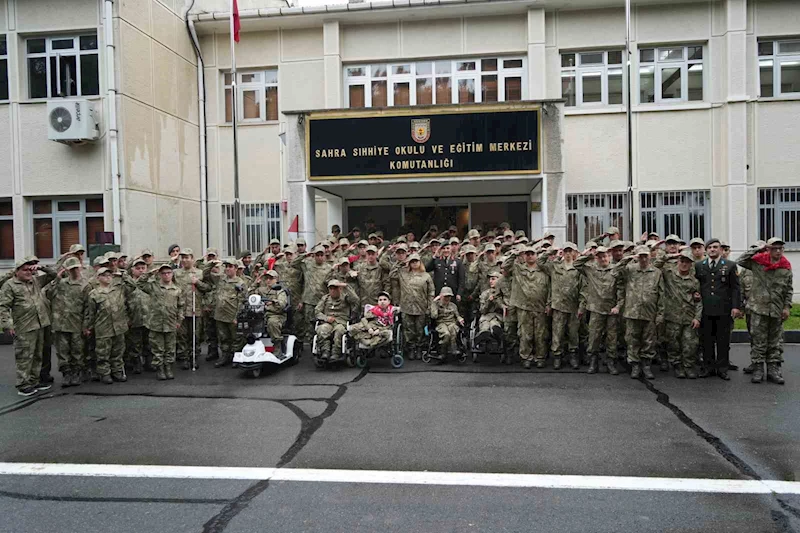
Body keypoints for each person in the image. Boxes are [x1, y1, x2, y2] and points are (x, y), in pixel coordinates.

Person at [736, 238, 793, 384]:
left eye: (780, 248)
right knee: (758, 340)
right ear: (768, 249)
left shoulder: (785, 267)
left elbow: (788, 289)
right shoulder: (758, 263)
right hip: (758, 308)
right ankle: (758, 368)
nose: (778, 251)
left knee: (775, 342)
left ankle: (773, 370)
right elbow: (740, 260)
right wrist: (759, 248)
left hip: (776, 309)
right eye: (774, 248)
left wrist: (787, 307)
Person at [0, 259, 56, 396]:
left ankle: (34, 380)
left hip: (40, 324)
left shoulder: (35, 281)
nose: (29, 272)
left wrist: (41, 267)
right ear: (17, 271)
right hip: (24, 326)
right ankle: (23, 384)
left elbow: (53, 275)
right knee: (24, 356)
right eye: (25, 270)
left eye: (30, 270)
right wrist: (8, 324)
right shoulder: (10, 285)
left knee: (38, 355)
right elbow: (4, 307)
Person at [612, 245, 664, 380]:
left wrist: (660, 313)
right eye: (641, 256)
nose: (643, 259)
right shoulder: (630, 269)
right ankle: (635, 365)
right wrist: (627, 259)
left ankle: (646, 365)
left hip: (649, 312)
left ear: (650, 256)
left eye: (645, 255)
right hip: (632, 312)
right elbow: (614, 272)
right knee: (632, 340)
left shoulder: (656, 272)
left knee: (649, 341)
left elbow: (661, 294)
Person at [695, 238, 740, 380]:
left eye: (715, 247)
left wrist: (735, 306)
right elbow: (696, 285)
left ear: (720, 250)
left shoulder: (730, 265)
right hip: (706, 309)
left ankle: (722, 368)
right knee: (706, 340)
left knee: (723, 341)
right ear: (706, 250)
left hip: (723, 309)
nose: (712, 250)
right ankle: (708, 367)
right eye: (710, 247)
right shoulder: (699, 265)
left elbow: (735, 288)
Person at [502, 245, 549, 369]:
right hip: (524, 307)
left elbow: (550, 288)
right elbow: (505, 266)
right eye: (527, 254)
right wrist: (514, 253)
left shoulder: (543, 269)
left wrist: (549, 304)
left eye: (532, 254)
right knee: (525, 334)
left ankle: (540, 357)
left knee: (540, 335)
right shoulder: (518, 268)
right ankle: (526, 357)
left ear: (536, 255)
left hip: (540, 306)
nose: (529, 256)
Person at [575, 246, 619, 375]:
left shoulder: (615, 269)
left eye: (604, 256)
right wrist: (589, 255)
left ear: (609, 256)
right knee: (594, 337)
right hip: (595, 309)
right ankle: (593, 362)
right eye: (600, 257)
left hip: (611, 310)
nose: (603, 259)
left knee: (612, 338)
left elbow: (621, 288)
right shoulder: (591, 269)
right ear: (596, 258)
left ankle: (611, 362)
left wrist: (618, 306)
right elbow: (576, 263)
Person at [136, 263, 185, 380]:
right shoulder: (153, 286)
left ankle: (168, 368)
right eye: (163, 273)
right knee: (158, 349)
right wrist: (149, 273)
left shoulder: (177, 289)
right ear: (160, 275)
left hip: (171, 323)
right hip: (156, 323)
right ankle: (160, 369)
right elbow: (139, 284)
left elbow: (181, 306)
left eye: (168, 273)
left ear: (172, 274)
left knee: (170, 348)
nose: (166, 275)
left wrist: (179, 320)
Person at [83, 268, 131, 384]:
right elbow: (90, 312)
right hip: (103, 328)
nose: (107, 277)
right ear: (98, 278)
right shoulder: (94, 294)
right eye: (104, 275)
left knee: (118, 351)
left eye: (109, 275)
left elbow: (133, 286)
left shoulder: (118, 289)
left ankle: (117, 371)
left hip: (119, 326)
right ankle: (105, 373)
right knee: (103, 353)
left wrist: (123, 275)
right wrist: (88, 327)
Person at [45, 257, 88, 388]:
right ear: (67, 270)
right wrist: (56, 279)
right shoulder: (61, 283)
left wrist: (86, 325)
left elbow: (88, 308)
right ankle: (66, 373)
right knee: (62, 352)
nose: (75, 271)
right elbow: (48, 295)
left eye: (76, 268)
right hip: (61, 324)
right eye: (71, 269)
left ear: (80, 268)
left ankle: (76, 373)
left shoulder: (85, 285)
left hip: (76, 323)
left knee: (77, 350)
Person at [539, 243, 583, 370]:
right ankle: (557, 356)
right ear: (562, 252)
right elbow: (541, 262)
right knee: (557, 333)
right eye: (566, 251)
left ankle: (573, 355)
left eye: (570, 251)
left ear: (574, 252)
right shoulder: (555, 267)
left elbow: (582, 288)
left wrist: (581, 306)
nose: (568, 254)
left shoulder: (578, 268)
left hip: (573, 306)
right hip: (558, 306)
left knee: (573, 333)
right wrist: (552, 251)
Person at [661, 250, 702, 378]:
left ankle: (688, 366)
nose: (684, 264)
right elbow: (656, 264)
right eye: (682, 261)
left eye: (687, 262)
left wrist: (697, 318)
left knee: (690, 344)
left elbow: (699, 302)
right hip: (672, 316)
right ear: (678, 262)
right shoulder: (669, 274)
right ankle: (677, 365)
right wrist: (671, 255)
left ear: (691, 264)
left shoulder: (695, 281)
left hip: (688, 317)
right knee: (673, 343)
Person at [389, 252, 435, 360]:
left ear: (420, 262)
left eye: (416, 261)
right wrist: (401, 263)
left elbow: (431, 291)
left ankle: (419, 348)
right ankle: (411, 348)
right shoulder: (403, 273)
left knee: (420, 330)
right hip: (406, 306)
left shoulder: (426, 275)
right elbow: (392, 275)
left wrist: (430, 305)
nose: (414, 263)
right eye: (412, 261)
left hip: (421, 306)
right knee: (408, 330)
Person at [203, 258, 247, 368]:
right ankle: (225, 356)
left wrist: (237, 316)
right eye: (226, 266)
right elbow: (206, 274)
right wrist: (212, 263)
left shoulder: (240, 283)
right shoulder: (220, 279)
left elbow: (242, 301)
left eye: (230, 266)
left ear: (236, 269)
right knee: (223, 337)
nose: (227, 269)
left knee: (236, 338)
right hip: (220, 314)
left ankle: (236, 357)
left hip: (232, 314)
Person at [294, 246, 336, 348]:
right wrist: (305, 255)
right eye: (317, 255)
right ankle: (312, 345)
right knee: (309, 324)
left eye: (321, 255)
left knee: (323, 323)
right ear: (314, 256)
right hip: (309, 300)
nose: (319, 257)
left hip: (323, 300)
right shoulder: (307, 265)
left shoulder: (328, 268)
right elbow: (293, 263)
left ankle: (323, 344)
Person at [174, 249, 205, 370]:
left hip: (195, 308)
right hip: (181, 309)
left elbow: (207, 288)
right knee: (182, 335)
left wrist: (197, 283)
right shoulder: (176, 273)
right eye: (182, 257)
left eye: (187, 257)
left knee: (195, 335)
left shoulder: (199, 273)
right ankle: (184, 358)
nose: (184, 260)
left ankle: (194, 357)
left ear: (192, 258)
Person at [315, 280, 358, 362]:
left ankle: (336, 353)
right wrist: (326, 318)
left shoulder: (345, 298)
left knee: (339, 331)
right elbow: (317, 311)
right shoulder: (325, 298)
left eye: (335, 288)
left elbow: (356, 300)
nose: (333, 290)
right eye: (331, 288)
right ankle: (325, 351)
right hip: (328, 322)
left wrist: (346, 286)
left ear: (339, 289)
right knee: (322, 329)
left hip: (341, 322)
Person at [251, 269, 289, 359]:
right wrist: (255, 283)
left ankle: (277, 348)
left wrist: (272, 301)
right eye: (267, 278)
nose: (268, 280)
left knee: (272, 322)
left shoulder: (280, 291)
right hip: (261, 314)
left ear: (276, 279)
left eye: (271, 278)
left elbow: (282, 304)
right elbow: (250, 296)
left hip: (276, 315)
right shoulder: (261, 290)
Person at [126, 257, 149, 374]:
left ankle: (148, 362)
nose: (141, 270)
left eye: (143, 268)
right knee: (135, 343)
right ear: (132, 270)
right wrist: (127, 318)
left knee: (148, 342)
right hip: (134, 318)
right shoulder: (128, 284)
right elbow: (123, 302)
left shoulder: (150, 283)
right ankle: (136, 363)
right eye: (138, 268)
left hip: (148, 318)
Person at [430, 286, 464, 360]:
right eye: (445, 296)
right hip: (441, 323)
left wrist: (460, 319)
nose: (447, 298)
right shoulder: (436, 305)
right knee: (446, 334)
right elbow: (434, 316)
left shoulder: (453, 305)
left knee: (453, 331)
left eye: (449, 296)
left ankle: (454, 350)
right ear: (441, 296)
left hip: (451, 322)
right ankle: (442, 353)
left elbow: (457, 315)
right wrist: (434, 303)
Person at [476, 271, 504, 345]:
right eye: (490, 279)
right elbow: (482, 310)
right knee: (485, 326)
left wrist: (497, 301)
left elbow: (505, 308)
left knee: (494, 325)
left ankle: (496, 334)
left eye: (493, 279)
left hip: (498, 317)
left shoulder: (503, 293)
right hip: (486, 316)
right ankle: (483, 335)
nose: (491, 281)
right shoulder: (485, 293)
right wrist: (489, 302)